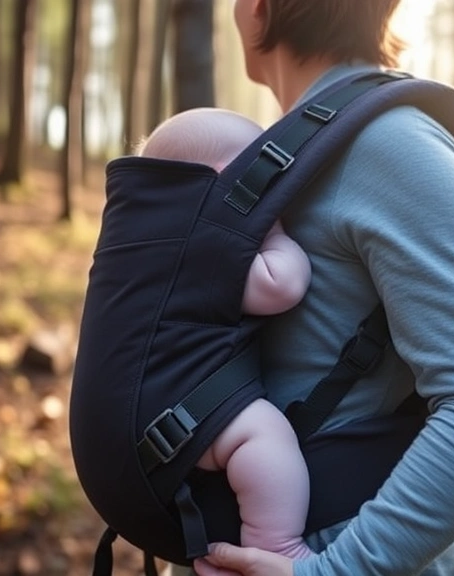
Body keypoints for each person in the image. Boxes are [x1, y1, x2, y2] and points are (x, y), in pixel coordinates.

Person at [174, 1, 454, 574]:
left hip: (344, 549)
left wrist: (331, 572)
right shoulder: (294, 143)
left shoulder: (393, 145)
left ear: (259, 8)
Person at [137, 107, 314, 561]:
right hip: (180, 407)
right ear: (222, 182)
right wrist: (273, 234)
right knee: (265, 436)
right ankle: (277, 543)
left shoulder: (151, 241)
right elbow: (282, 285)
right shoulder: (204, 247)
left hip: (149, 399)